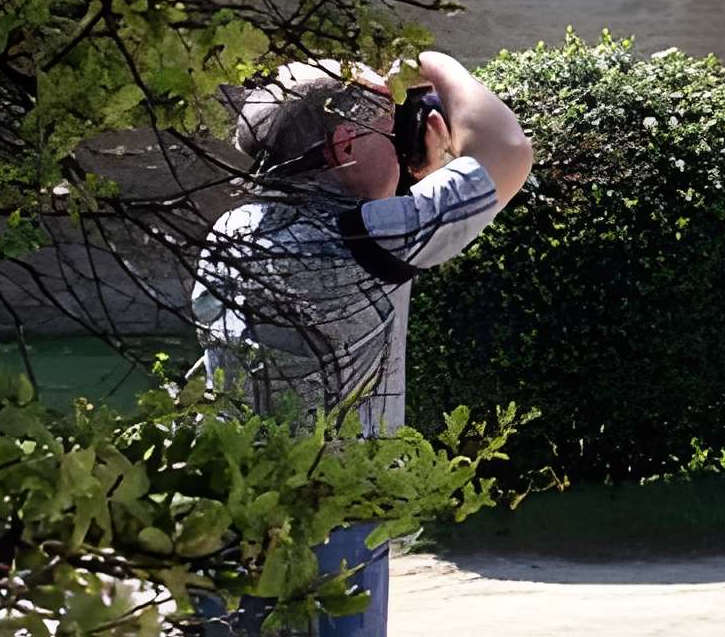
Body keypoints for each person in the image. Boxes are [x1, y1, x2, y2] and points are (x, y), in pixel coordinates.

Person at [192, 51, 532, 635]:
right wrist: (433, 61)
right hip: (331, 525)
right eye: (383, 131)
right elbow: (506, 150)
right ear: (347, 144)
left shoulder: (230, 233)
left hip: (227, 511)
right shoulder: (362, 239)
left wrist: (405, 173)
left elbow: (357, 229)